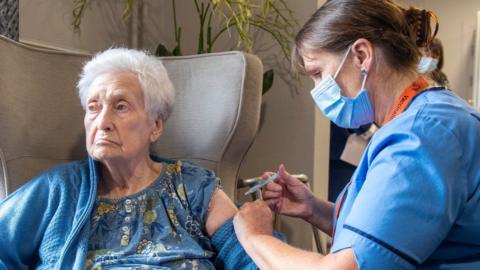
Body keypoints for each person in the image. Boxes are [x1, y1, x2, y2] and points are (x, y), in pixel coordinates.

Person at [233, 0, 480, 269]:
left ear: (361, 55)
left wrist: (254, 236)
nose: (316, 90)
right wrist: (314, 208)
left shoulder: (422, 136)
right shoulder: (418, 122)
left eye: (318, 73)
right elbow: (390, 235)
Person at [0, 48, 259, 269]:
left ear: (155, 126)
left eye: (120, 106)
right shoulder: (59, 189)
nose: (102, 122)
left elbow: (253, 257)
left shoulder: (193, 189)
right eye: (93, 107)